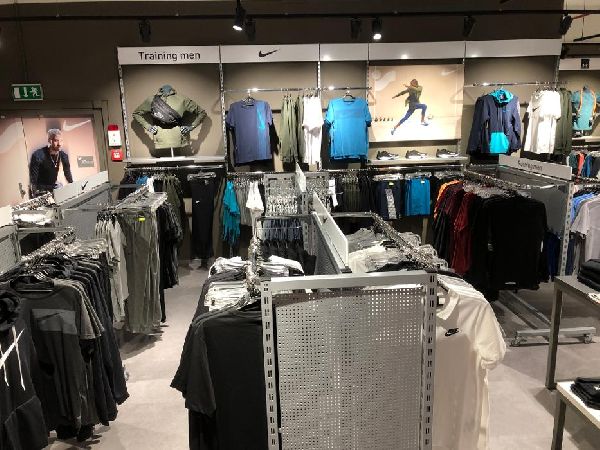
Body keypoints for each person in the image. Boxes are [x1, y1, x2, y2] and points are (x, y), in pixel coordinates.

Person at [29, 128, 73, 196]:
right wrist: (53, 187)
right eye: (56, 141)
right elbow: (34, 182)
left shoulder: (63, 155)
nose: (59, 144)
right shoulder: (38, 155)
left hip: (53, 189)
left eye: (61, 140)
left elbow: (67, 173)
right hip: (41, 191)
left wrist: (73, 186)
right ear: (50, 141)